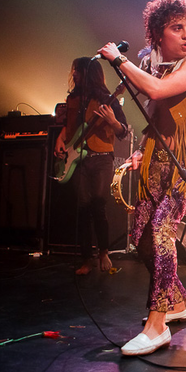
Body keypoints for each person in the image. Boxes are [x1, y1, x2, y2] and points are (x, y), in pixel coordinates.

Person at [96, 0, 186, 356]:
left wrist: (119, 61)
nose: (185, 35)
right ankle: (179, 304)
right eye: (175, 28)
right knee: (142, 239)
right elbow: (155, 118)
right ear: (157, 34)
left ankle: (156, 325)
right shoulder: (158, 65)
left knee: (163, 228)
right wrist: (139, 152)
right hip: (157, 158)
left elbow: (157, 90)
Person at [54, 57, 128, 276]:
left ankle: (104, 251)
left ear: (88, 72)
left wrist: (113, 121)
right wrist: (60, 139)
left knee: (98, 204)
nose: (73, 73)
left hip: (102, 157)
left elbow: (123, 131)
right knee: (83, 207)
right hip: (78, 159)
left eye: (77, 69)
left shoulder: (107, 98)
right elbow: (70, 127)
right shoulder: (73, 98)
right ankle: (87, 258)